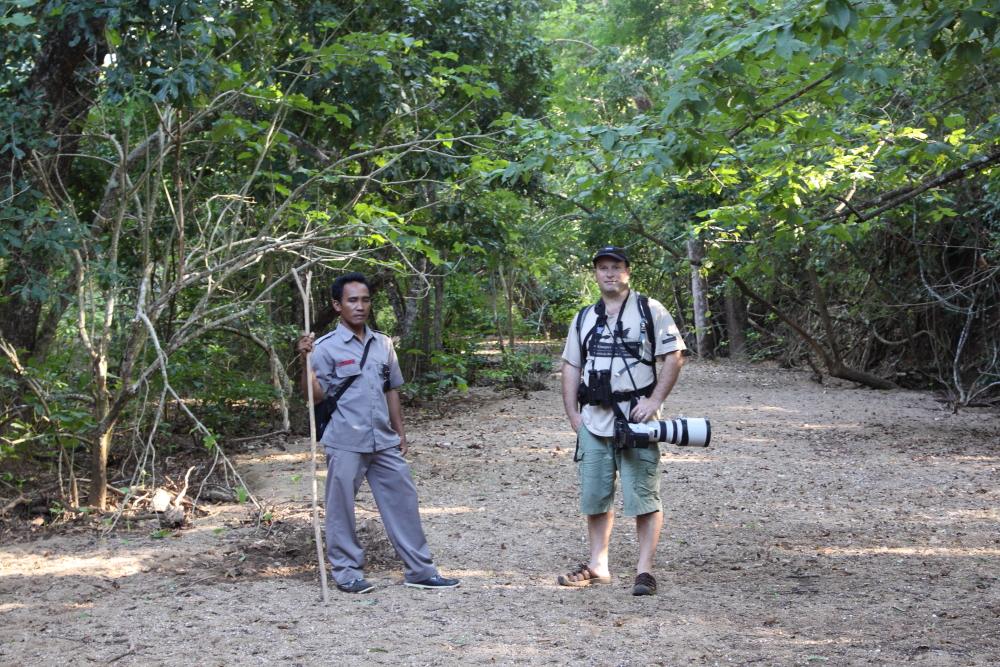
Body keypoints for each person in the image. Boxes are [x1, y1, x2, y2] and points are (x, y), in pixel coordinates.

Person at [298, 272, 459, 593]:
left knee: (404, 500)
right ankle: (347, 572)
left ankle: (420, 570)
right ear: (337, 306)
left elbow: (391, 390)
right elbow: (313, 396)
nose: (360, 306)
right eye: (352, 300)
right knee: (341, 507)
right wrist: (304, 358)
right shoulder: (325, 348)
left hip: (383, 440)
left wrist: (400, 430)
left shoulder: (384, 343)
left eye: (365, 299)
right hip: (345, 440)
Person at [558, 247, 685, 596]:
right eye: (602, 268)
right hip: (594, 421)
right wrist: (572, 412)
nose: (609, 273)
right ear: (595, 275)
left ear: (627, 272)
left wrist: (654, 400)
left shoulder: (650, 310)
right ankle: (598, 565)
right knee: (595, 496)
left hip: (637, 420)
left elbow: (674, 357)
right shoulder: (584, 317)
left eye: (616, 267)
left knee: (643, 496)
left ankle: (645, 571)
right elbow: (571, 365)